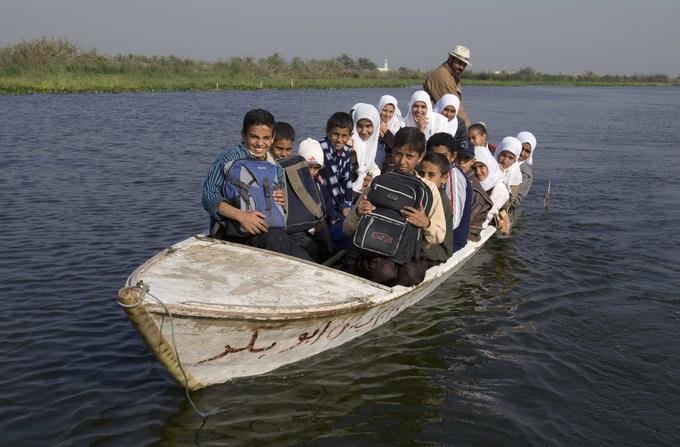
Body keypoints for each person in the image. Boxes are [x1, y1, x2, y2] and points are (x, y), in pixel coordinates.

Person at [201, 109, 311, 260]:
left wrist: (281, 200)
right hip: (239, 235)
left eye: (266, 138)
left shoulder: (276, 167)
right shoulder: (226, 161)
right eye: (254, 137)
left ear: (273, 138)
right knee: (281, 245)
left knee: (307, 251)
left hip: (272, 232)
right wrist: (242, 217)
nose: (260, 143)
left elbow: (282, 206)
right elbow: (209, 198)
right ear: (243, 135)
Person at [343, 127, 446, 286]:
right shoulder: (380, 182)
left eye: (409, 156)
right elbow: (347, 228)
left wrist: (425, 223)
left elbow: (439, 234)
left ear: (420, 158)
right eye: (398, 154)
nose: (402, 161)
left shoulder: (429, 189)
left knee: (409, 274)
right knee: (382, 271)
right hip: (375, 250)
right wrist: (358, 212)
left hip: (408, 254)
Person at [295, 138, 348, 259]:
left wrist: (333, 217)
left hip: (323, 223)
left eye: (316, 168)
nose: (312, 172)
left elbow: (327, 202)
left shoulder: (318, 183)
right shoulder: (296, 184)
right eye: (308, 167)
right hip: (310, 228)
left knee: (347, 229)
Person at [426, 133, 467, 238]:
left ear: (453, 156)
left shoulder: (453, 177)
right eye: (434, 155)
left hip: (450, 238)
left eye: (444, 156)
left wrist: (426, 224)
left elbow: (453, 221)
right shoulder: (427, 170)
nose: (438, 160)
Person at [423, 45, 472, 128]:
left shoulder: (449, 75)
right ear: (450, 58)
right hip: (433, 126)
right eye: (459, 63)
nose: (461, 68)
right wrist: (471, 133)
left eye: (464, 65)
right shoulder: (443, 77)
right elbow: (457, 110)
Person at [419, 152, 454, 265]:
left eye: (431, 175)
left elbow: (435, 236)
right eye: (421, 173)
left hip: (436, 252)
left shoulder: (441, 200)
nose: (425, 179)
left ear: (444, 178)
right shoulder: (420, 192)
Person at [319, 112, 354, 218]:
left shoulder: (346, 151)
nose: (339, 140)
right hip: (324, 197)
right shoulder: (322, 149)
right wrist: (343, 207)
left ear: (350, 136)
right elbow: (331, 180)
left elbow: (347, 180)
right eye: (335, 134)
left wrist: (348, 204)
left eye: (344, 136)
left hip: (339, 200)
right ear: (328, 132)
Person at [473, 146, 511, 235]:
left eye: (481, 166)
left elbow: (487, 216)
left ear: (489, 165)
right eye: (474, 167)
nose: (478, 172)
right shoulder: (472, 180)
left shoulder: (498, 188)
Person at [350, 103, 382, 194]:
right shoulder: (351, 146)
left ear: (375, 126)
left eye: (368, 126)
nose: (364, 132)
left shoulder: (372, 146)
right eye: (359, 126)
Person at [376, 95, 404, 171]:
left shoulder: (399, 126)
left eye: (391, 112)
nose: (387, 115)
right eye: (384, 110)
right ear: (379, 109)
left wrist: (386, 132)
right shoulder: (373, 124)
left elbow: (398, 148)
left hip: (391, 166)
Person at [495, 136, 523, 209]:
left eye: (510, 158)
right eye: (503, 155)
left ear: (515, 160)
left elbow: (508, 203)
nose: (505, 160)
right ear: (498, 153)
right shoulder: (487, 166)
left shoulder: (515, 176)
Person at [515, 131, 537, 207]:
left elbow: (516, 201)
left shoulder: (526, 174)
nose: (522, 153)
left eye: (527, 151)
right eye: (521, 148)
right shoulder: (502, 158)